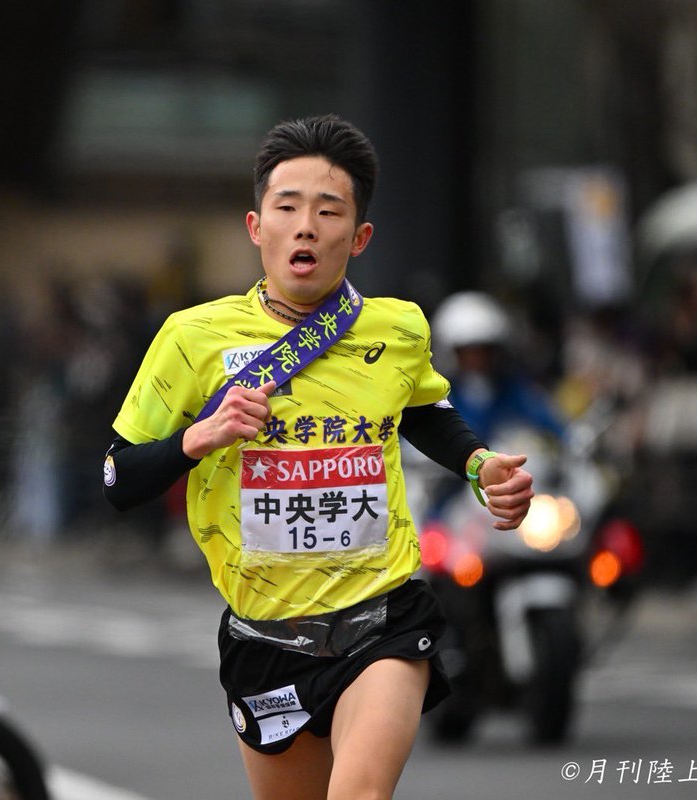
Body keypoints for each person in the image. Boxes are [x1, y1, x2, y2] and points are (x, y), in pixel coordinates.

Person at [103, 115, 534, 800]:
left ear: (358, 236)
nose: (306, 226)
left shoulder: (397, 329)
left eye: (328, 211)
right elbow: (117, 478)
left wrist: (481, 466)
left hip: (382, 617)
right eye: (288, 207)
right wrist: (200, 437)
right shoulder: (192, 340)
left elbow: (423, 410)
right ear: (256, 227)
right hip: (265, 634)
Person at [430, 290, 566, 445]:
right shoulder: (438, 398)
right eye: (469, 351)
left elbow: (554, 426)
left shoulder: (515, 392)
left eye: (485, 349)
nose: (478, 358)